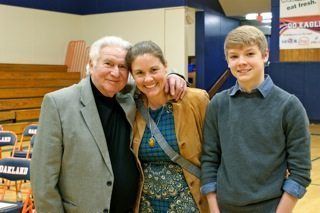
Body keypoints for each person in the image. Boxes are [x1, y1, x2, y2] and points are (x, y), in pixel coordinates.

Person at [30, 36, 187, 213]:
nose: (115, 72)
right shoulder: (58, 103)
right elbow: (43, 177)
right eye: (108, 64)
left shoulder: (129, 95)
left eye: (122, 67)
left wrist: (175, 75)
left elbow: (153, 73)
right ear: (91, 63)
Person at [200, 25, 311, 213]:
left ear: (265, 55)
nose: (241, 62)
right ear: (227, 61)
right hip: (224, 208)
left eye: (250, 54)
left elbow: (300, 172)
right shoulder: (217, 104)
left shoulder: (289, 106)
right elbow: (210, 159)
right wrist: (214, 207)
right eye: (234, 56)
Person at [125, 40, 209, 212]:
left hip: (189, 202)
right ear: (132, 76)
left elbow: (215, 153)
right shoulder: (131, 106)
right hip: (146, 205)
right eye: (139, 73)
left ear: (166, 67)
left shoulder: (195, 100)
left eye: (154, 70)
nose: (148, 79)